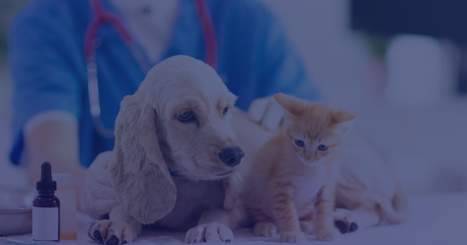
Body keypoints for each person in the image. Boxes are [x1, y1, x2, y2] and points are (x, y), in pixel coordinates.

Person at [8, 0, 321, 210]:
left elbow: (325, 132)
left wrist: (295, 132)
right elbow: (50, 159)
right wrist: (96, 189)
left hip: (230, 217)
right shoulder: (48, 23)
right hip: (114, 220)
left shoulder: (247, 21)